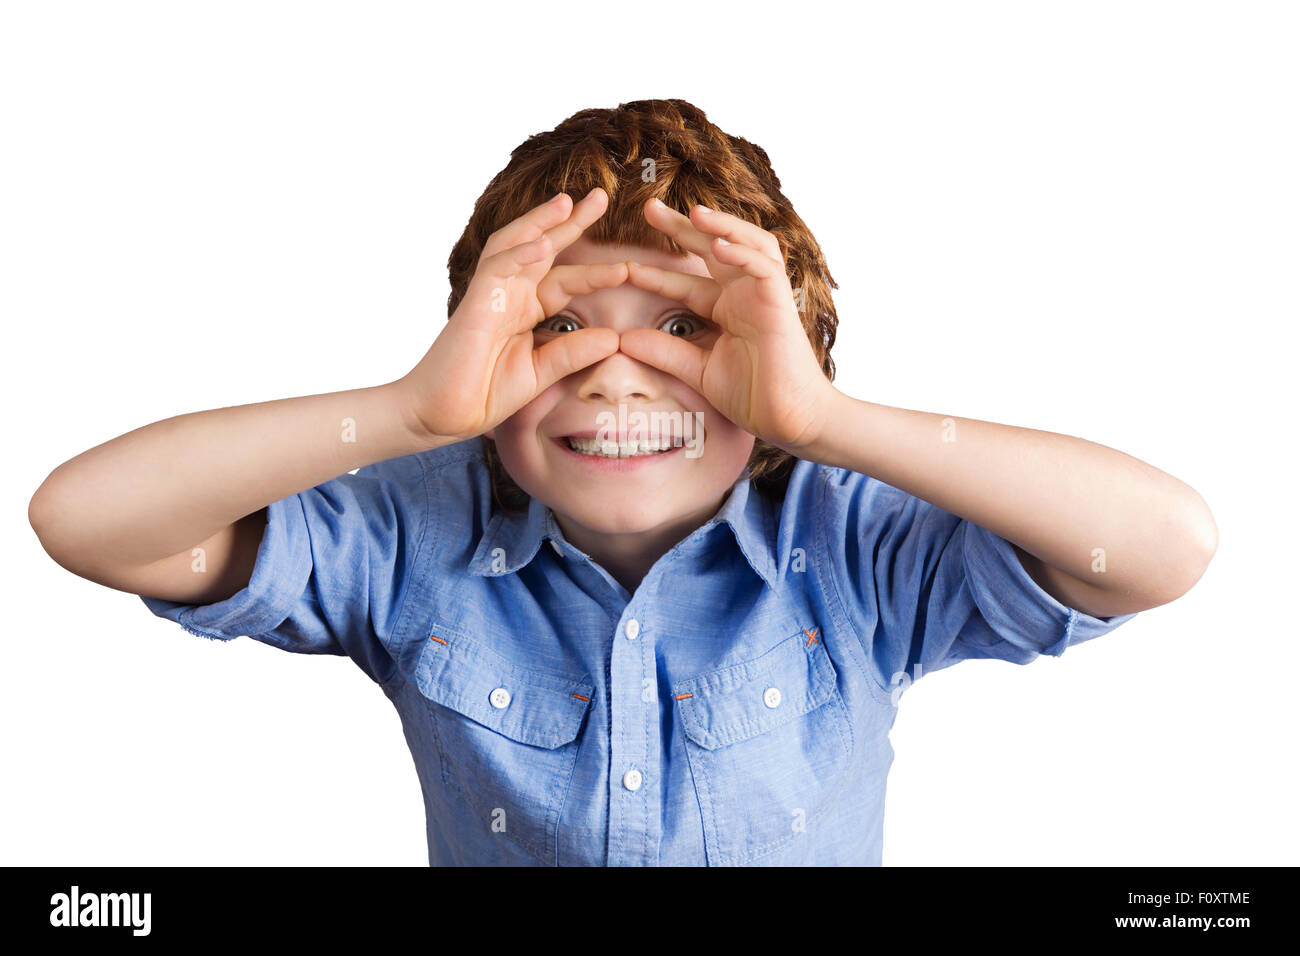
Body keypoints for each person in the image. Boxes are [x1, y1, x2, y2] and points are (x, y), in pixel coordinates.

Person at [27, 98, 1217, 866]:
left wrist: (828, 419)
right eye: (557, 329)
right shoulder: (415, 533)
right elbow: (86, 520)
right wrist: (404, 412)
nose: (612, 378)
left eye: (681, 328)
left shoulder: (849, 547)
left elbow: (1164, 546)